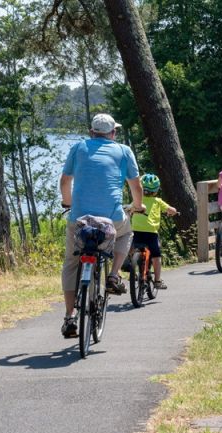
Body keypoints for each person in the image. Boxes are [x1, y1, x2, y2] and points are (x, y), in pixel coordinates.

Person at [59, 113, 144, 338]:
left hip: (80, 219)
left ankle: (69, 317)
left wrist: (67, 202)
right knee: (126, 234)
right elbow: (136, 186)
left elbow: (65, 180)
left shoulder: (78, 148)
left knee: (71, 263)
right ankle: (114, 275)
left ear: (92, 132)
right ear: (113, 133)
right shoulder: (124, 151)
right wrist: (138, 206)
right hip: (112, 218)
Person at [130, 173, 178, 289]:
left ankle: (132, 268)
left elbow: (130, 209)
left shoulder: (137, 200)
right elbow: (171, 210)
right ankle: (157, 281)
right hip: (151, 233)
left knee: (131, 248)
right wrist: (174, 212)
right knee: (156, 256)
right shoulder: (157, 201)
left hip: (136, 230)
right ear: (156, 190)